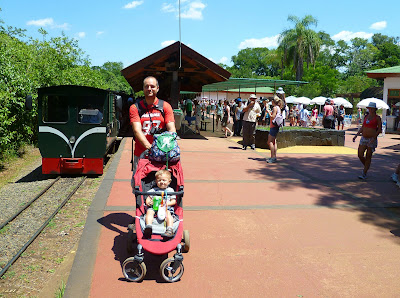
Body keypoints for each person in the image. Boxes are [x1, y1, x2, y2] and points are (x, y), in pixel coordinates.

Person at [129, 76, 176, 174]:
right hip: (141, 153)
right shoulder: (135, 108)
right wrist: (150, 148)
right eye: (146, 86)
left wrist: (167, 147)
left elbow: (172, 129)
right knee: (138, 184)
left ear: (157, 88)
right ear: (143, 88)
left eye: (152, 86)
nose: (149, 89)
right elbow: (137, 130)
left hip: (162, 153)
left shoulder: (165, 106)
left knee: (161, 184)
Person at [352, 102, 382, 180]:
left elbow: (379, 129)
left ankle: (364, 172)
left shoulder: (377, 118)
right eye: (369, 108)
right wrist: (356, 135)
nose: (370, 109)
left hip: (371, 139)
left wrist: (373, 138)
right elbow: (362, 127)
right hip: (364, 138)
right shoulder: (366, 117)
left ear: (375, 109)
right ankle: (366, 166)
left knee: (368, 155)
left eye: (372, 108)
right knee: (360, 154)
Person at [144, 169, 177, 238]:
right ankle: (148, 227)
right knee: (149, 212)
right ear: (156, 181)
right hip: (154, 207)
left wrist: (167, 203)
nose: (161, 182)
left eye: (164, 180)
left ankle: (169, 229)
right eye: (159, 180)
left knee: (168, 215)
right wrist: (149, 202)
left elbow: (173, 201)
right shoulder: (153, 190)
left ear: (169, 181)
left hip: (165, 208)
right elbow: (148, 199)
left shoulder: (170, 190)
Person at [267, 96, 283, 163]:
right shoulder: (279, 108)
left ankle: (272, 157)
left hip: (273, 126)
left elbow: (272, 117)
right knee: (274, 142)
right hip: (277, 126)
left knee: (269, 142)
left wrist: (268, 112)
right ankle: (274, 156)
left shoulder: (274, 108)